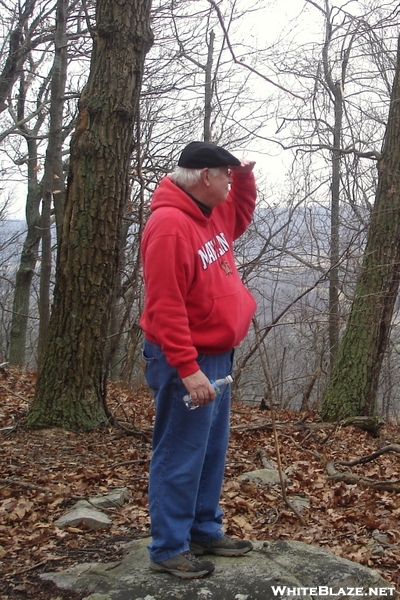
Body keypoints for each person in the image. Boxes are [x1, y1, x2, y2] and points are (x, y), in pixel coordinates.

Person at [140, 141, 257, 579]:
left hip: (217, 355)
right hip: (185, 359)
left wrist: (245, 178)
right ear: (206, 176)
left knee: (210, 449)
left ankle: (203, 529)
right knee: (179, 451)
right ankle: (169, 547)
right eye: (227, 174)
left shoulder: (211, 212)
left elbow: (239, 218)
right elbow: (164, 307)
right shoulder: (170, 226)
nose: (230, 180)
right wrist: (187, 369)